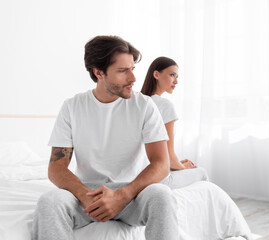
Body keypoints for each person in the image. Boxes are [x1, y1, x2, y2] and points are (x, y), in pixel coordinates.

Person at [32, 36, 179, 240]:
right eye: (122, 71)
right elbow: (56, 167)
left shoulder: (144, 106)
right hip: (87, 194)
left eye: (132, 69)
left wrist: (122, 195)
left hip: (132, 192)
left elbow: (161, 164)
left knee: (162, 196)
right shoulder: (72, 107)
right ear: (98, 72)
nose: (133, 78)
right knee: (49, 202)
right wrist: (83, 195)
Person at [141, 57, 209, 189]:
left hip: (137, 173)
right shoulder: (165, 105)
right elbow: (169, 159)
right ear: (156, 74)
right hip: (155, 177)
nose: (176, 81)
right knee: (201, 173)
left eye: (177, 76)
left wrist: (178, 164)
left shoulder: (138, 103)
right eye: (172, 75)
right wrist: (183, 166)